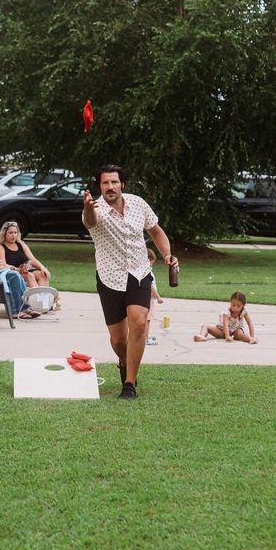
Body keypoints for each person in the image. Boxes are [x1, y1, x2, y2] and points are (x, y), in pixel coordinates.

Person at [82, 165, 176, 399]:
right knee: (118, 339)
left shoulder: (138, 203)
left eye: (114, 182)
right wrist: (86, 208)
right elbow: (90, 222)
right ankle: (124, 361)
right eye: (105, 183)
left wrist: (166, 255)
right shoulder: (95, 209)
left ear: (122, 184)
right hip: (109, 277)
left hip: (139, 273)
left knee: (138, 322)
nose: (110, 187)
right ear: (100, 186)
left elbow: (155, 231)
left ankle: (129, 384)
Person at [0, 221, 51, 288]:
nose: (13, 235)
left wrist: (42, 268)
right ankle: (36, 297)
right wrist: (18, 269)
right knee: (29, 275)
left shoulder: (21, 244)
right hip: (11, 274)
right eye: (10, 233)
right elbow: (2, 265)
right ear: (4, 234)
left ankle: (44, 297)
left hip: (25, 272)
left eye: (15, 232)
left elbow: (32, 260)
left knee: (42, 274)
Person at [145, 248, 164, 346]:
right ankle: (145, 339)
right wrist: (158, 297)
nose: (152, 264)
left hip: (146, 297)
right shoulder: (147, 272)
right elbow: (150, 285)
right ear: (147, 260)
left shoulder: (144, 271)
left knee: (145, 319)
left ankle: (145, 336)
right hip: (149, 298)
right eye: (152, 262)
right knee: (147, 319)